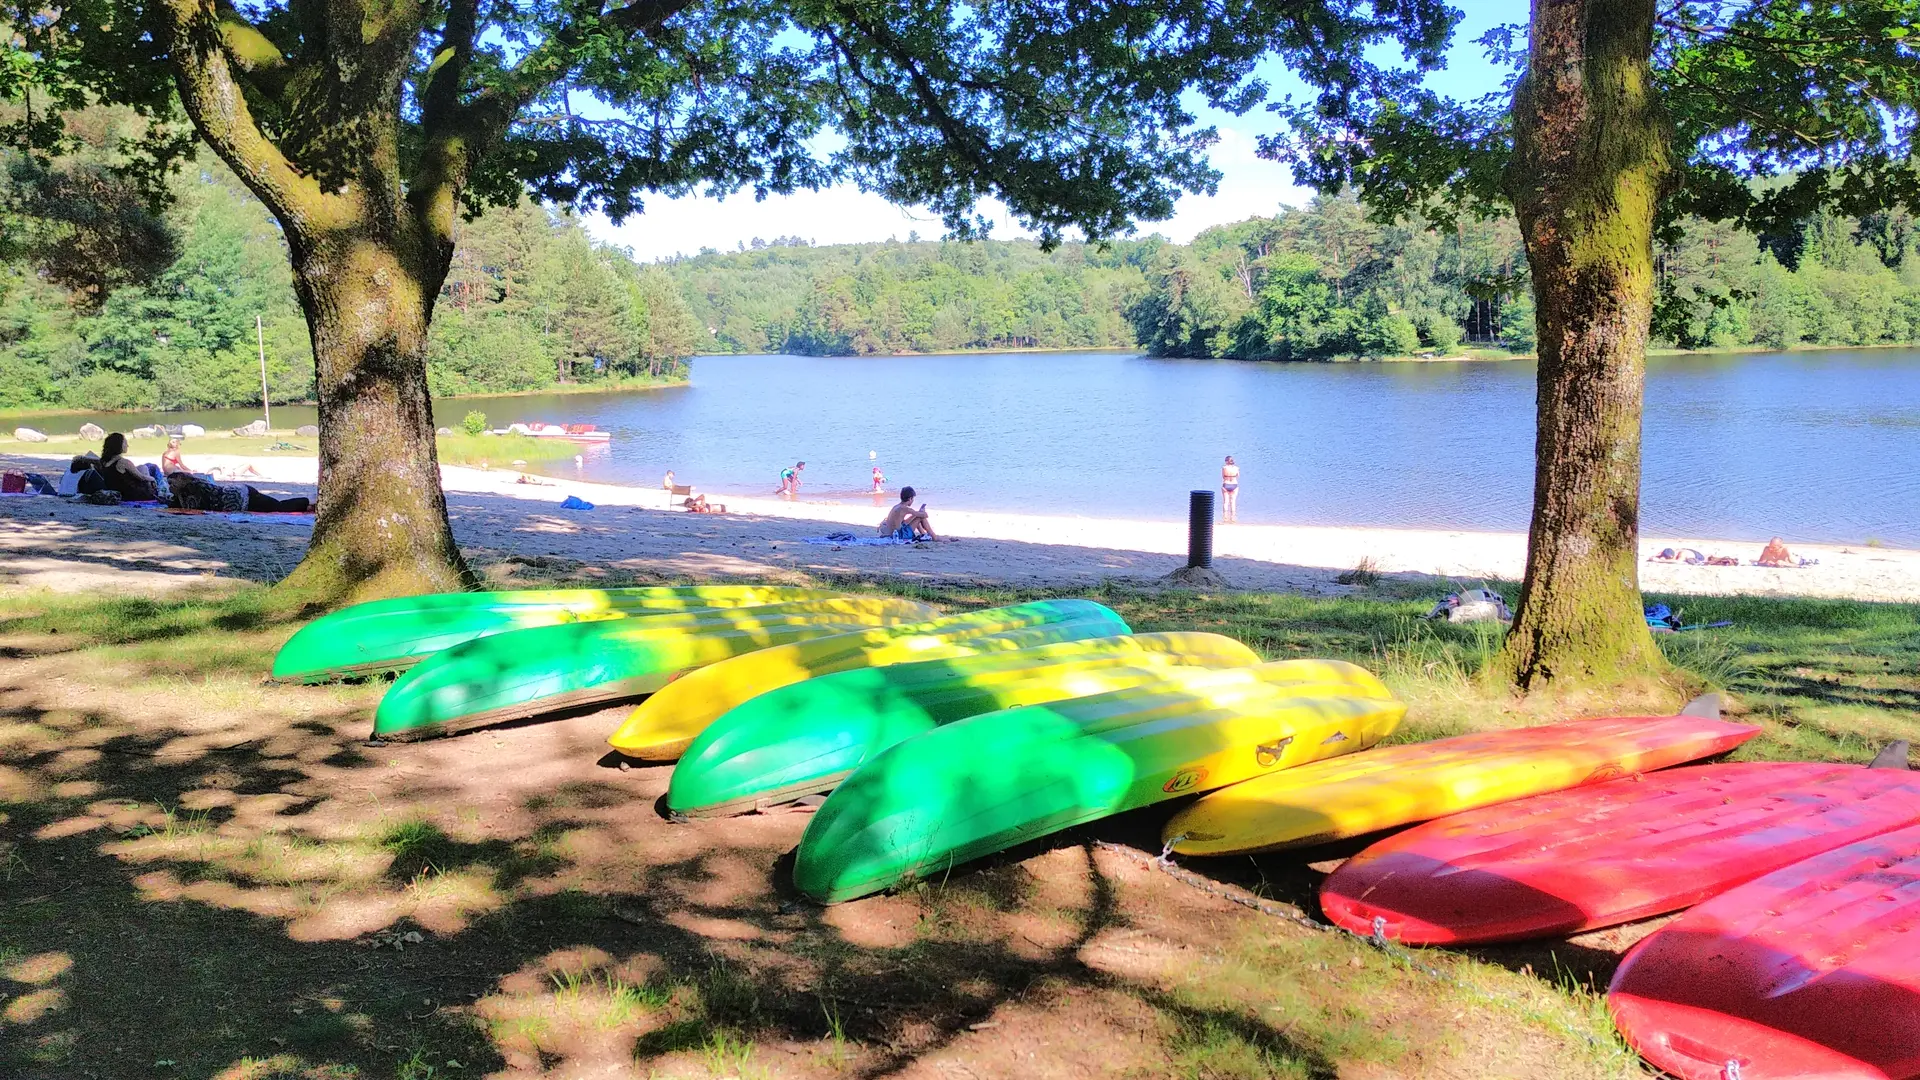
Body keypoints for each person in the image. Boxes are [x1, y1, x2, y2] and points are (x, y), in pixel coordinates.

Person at [97, 433, 160, 501]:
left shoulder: (103, 462)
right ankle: (161, 491)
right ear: (118, 445)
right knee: (151, 467)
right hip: (133, 494)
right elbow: (142, 477)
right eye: (125, 443)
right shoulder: (123, 462)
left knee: (144, 466)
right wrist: (153, 479)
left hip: (117, 491)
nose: (127, 445)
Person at [877, 486, 943, 540]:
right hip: (899, 535)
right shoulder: (905, 508)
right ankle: (934, 537)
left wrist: (917, 513)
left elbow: (903, 523)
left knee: (916, 516)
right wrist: (922, 511)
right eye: (913, 498)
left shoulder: (897, 506)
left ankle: (924, 534)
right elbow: (925, 515)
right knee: (920, 517)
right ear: (910, 498)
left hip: (893, 532)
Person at [1221, 455, 1240, 522]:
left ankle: (1225, 518)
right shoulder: (1237, 468)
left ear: (1226, 461)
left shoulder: (1224, 468)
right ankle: (1233, 518)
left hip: (1226, 484)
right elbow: (1238, 476)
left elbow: (1223, 476)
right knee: (1233, 502)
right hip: (1234, 485)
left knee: (1225, 502)